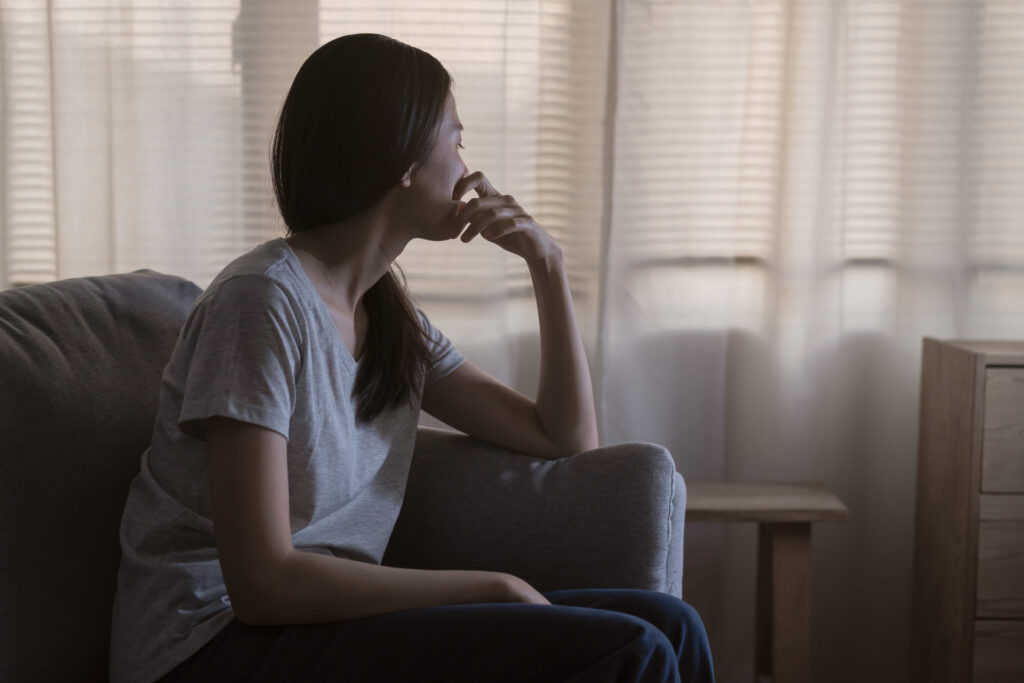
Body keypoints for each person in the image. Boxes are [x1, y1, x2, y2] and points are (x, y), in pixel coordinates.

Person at [109, 32, 714, 683]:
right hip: (207, 643)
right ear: (400, 160)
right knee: (636, 651)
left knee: (671, 624)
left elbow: (563, 436)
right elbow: (262, 583)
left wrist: (548, 264)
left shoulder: (391, 319)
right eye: (454, 139)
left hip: (317, 629)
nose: (465, 166)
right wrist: (488, 587)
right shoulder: (260, 302)